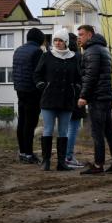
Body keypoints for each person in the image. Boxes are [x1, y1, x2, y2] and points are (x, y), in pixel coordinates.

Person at [76, 25, 112, 175]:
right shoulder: (102, 49)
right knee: (108, 131)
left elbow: (90, 76)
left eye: (81, 35)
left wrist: (83, 96)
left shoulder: (92, 51)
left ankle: (98, 165)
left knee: (97, 133)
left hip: (98, 98)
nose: (79, 38)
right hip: (106, 96)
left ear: (89, 35)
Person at [33, 28, 81, 171]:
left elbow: (79, 77)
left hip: (67, 100)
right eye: (55, 40)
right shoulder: (47, 56)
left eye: (60, 40)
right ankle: (46, 162)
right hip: (49, 99)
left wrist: (76, 88)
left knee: (63, 131)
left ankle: (61, 162)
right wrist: (42, 85)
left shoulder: (74, 57)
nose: (58, 43)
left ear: (66, 42)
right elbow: (37, 74)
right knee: (48, 129)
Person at [12, 27, 46, 164]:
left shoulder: (18, 50)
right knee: (30, 124)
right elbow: (38, 72)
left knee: (22, 121)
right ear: (39, 39)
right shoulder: (37, 51)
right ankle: (28, 154)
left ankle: (22, 152)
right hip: (32, 91)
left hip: (20, 90)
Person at [64, 33, 86, 168]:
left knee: (64, 128)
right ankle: (68, 156)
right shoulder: (79, 57)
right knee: (72, 128)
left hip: (62, 97)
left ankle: (64, 156)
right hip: (76, 96)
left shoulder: (61, 57)